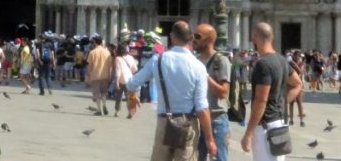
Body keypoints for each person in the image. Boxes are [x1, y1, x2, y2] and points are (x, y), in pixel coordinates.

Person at [125, 21, 216, 161]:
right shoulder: (198, 67)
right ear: (191, 37)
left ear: (172, 37)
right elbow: (202, 107)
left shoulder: (158, 59)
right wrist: (210, 139)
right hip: (188, 125)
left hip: (164, 122)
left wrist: (132, 98)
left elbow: (131, 84)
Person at [240, 22, 301, 161]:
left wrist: (248, 133)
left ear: (255, 37)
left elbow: (261, 101)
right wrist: (282, 102)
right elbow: (298, 84)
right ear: (272, 37)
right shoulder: (282, 60)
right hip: (280, 123)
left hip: (265, 128)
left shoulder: (263, 64)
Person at [193, 24, 231, 161]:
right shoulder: (195, 61)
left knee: (220, 158)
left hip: (217, 118)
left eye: (197, 36)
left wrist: (205, 76)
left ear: (209, 40)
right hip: (198, 119)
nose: (193, 39)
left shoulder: (221, 60)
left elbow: (223, 92)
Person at [85, 35, 112, 116]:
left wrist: (88, 75)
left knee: (97, 94)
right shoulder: (107, 52)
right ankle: (104, 104)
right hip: (105, 75)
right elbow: (110, 65)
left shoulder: (92, 52)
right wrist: (109, 75)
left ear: (95, 43)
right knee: (104, 92)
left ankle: (99, 110)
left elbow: (89, 65)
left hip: (95, 75)